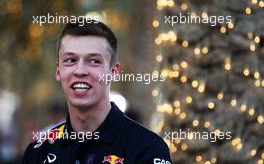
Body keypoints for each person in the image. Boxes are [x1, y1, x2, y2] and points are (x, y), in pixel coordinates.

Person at [22, 18, 172, 164]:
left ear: (113, 72)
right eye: (71, 60)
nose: (80, 71)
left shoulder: (147, 149)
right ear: (58, 71)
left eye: (94, 61)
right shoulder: (38, 152)